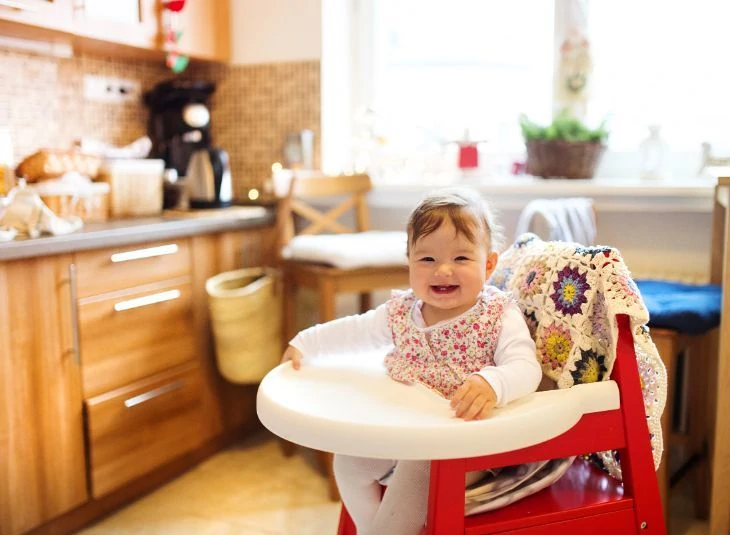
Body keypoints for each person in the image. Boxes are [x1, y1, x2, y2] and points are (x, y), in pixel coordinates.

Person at [281, 186, 542, 535]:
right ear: (409, 262)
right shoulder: (402, 312)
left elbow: (526, 367)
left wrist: (493, 383)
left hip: (464, 442)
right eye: (427, 259)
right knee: (348, 461)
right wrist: (306, 341)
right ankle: (369, 528)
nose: (443, 270)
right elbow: (354, 331)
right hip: (405, 430)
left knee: (419, 467)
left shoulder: (496, 314)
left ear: (489, 264)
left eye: (461, 258)